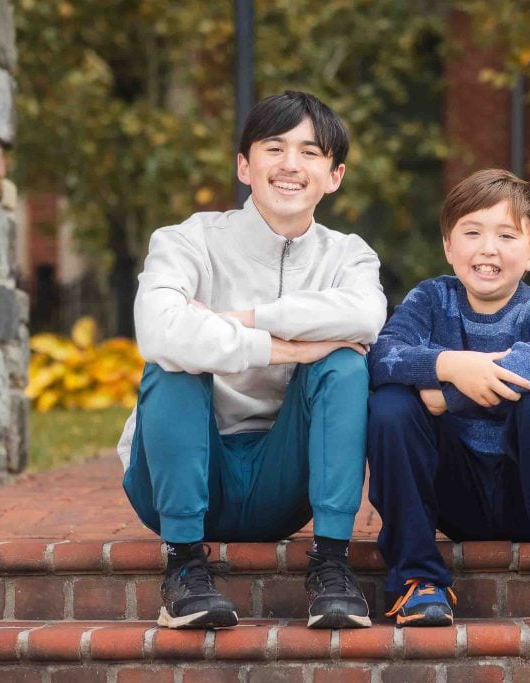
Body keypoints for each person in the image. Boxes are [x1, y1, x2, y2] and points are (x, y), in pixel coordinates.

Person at [117, 91, 387, 630]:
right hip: (176, 476)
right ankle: (185, 570)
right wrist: (280, 347)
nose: (291, 164)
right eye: (274, 148)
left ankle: (332, 567)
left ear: (334, 175)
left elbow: (365, 317)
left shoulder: (349, 255)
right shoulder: (185, 240)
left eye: (310, 152)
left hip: (281, 486)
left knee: (344, 365)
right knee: (172, 364)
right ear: (245, 166)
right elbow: (159, 330)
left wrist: (239, 318)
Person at [366, 168, 530, 628]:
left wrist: (450, 397)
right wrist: (455, 366)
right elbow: (382, 357)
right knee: (391, 407)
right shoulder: (431, 300)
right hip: (454, 494)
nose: (487, 248)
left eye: (506, 235)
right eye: (472, 232)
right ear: (448, 246)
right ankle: (418, 582)